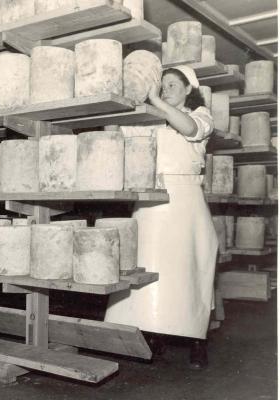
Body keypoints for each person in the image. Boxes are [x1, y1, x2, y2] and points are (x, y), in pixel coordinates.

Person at [104, 65, 218, 369]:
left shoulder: (201, 115)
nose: (166, 90)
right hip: (152, 199)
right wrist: (118, 105)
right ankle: (151, 333)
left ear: (187, 91)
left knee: (189, 272)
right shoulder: (151, 121)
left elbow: (190, 129)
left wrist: (155, 100)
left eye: (172, 85)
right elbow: (115, 136)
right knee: (147, 270)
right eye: (162, 85)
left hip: (185, 199)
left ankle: (197, 341)